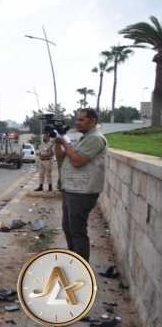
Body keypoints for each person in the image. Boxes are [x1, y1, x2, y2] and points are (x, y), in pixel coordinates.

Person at [54, 108, 107, 261]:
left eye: (81, 120)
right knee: (68, 228)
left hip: (82, 192)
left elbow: (77, 161)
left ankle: (81, 267)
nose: (77, 122)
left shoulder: (95, 138)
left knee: (77, 231)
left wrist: (65, 141)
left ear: (93, 121)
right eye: (77, 119)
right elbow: (61, 158)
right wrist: (58, 142)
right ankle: (74, 260)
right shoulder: (82, 138)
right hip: (71, 190)